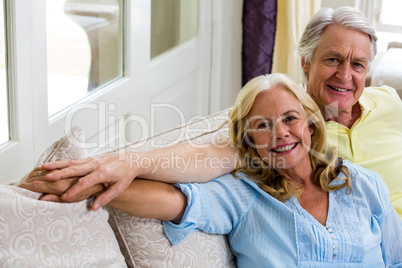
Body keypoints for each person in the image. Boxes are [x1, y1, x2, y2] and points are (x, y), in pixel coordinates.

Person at [20, 6, 402, 218]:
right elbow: (208, 155)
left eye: (358, 65)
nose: (346, 76)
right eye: (333, 59)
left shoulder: (388, 100)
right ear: (305, 62)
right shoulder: (293, 133)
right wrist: (124, 163)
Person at [97, 73, 402, 267]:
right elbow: (169, 201)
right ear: (249, 139)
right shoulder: (243, 194)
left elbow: (396, 258)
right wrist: (96, 181)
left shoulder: (363, 183)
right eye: (262, 126)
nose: (280, 133)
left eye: (290, 118)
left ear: (310, 123)